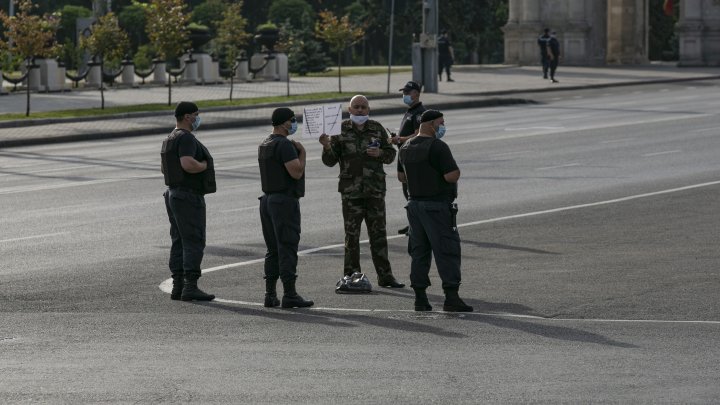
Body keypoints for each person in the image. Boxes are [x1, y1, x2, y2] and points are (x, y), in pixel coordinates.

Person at [319, 95, 406, 289]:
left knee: (379, 235)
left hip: (375, 191)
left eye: (363, 107)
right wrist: (326, 146)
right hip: (351, 193)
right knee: (352, 236)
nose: (359, 110)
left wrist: (381, 154)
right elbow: (330, 161)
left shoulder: (376, 128)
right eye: (356, 107)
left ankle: (386, 276)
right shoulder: (339, 130)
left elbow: (391, 154)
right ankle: (351, 276)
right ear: (349, 110)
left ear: (368, 110)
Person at [397, 109, 473, 312]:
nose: (442, 126)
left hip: (414, 206)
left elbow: (401, 177)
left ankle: (420, 298)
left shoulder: (405, 146)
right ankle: (451, 297)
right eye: (441, 123)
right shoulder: (438, 147)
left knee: (419, 252)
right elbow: (451, 176)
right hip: (437, 206)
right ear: (430, 124)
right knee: (446, 250)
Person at [258, 107, 314, 308]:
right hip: (283, 202)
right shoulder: (284, 145)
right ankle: (290, 294)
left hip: (267, 200)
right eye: (292, 120)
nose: (293, 124)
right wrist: (303, 153)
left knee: (272, 249)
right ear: (283, 123)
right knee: (287, 247)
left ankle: (270, 294)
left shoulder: (265, 144)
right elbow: (296, 172)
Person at [161, 101, 216, 302]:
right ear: (187, 117)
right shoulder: (186, 138)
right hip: (188, 195)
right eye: (196, 114)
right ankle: (190, 286)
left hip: (173, 193)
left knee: (178, 240)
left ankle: (178, 285)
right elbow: (187, 164)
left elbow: (164, 168)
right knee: (194, 240)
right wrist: (203, 164)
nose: (197, 118)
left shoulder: (169, 138)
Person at [392, 80, 427, 235]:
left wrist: (400, 139)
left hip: (414, 157)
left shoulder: (419, 112)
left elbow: (418, 134)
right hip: (406, 155)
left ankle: (418, 226)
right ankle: (414, 223)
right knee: (408, 193)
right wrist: (399, 139)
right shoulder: (410, 110)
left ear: (416, 94)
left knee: (413, 193)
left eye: (407, 92)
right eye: (403, 92)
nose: (404, 95)